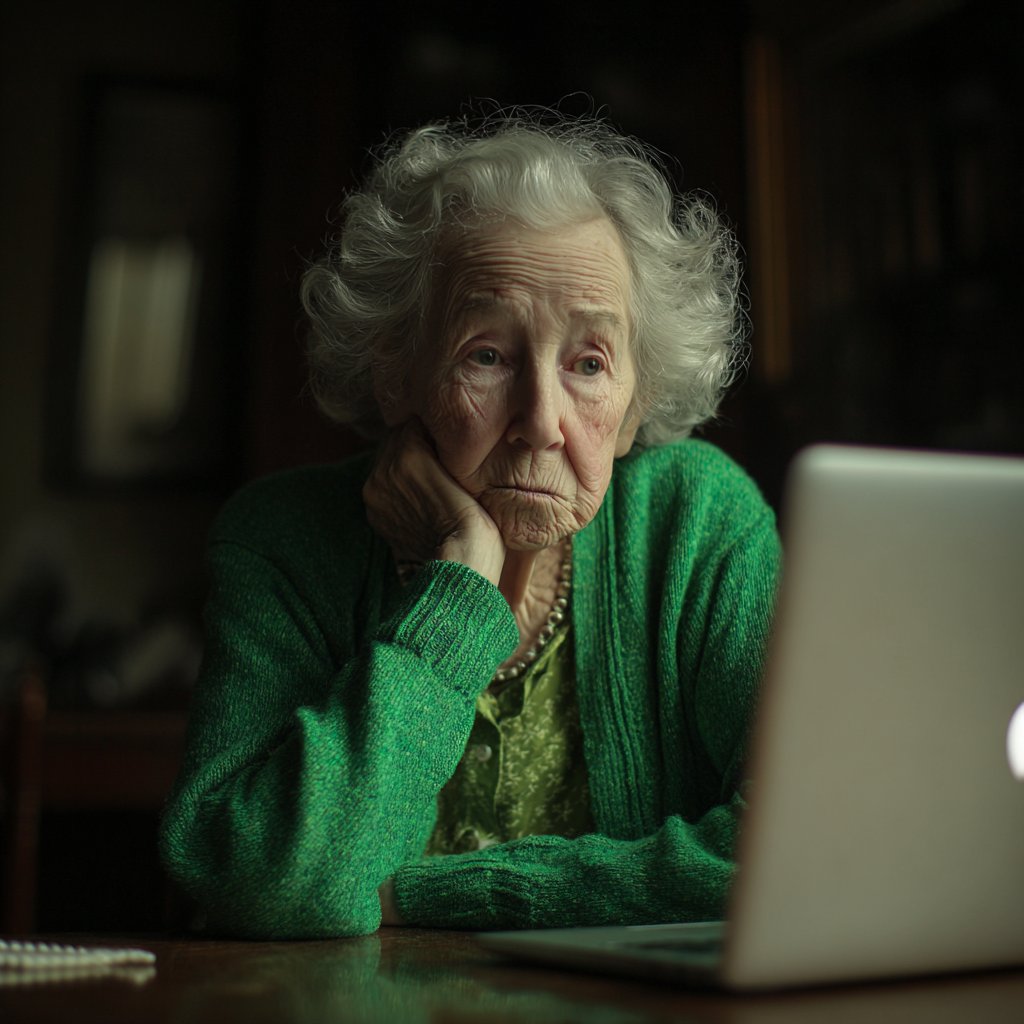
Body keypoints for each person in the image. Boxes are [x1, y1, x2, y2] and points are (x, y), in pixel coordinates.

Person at [159, 112, 781, 938]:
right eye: (487, 354)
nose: (541, 420)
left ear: (637, 406)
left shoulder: (699, 525)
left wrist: (433, 894)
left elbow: (803, 844)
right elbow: (261, 884)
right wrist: (458, 588)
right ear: (397, 375)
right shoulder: (284, 541)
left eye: (589, 364)